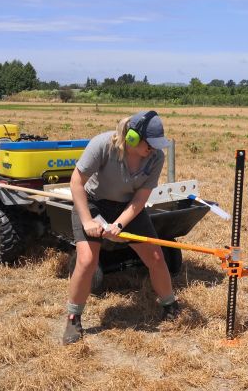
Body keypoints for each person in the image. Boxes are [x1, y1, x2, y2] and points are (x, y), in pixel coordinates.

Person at [62, 110, 179, 345]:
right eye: (150, 144)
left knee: (156, 257)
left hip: (128, 207)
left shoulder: (156, 157)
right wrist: (87, 221)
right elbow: (76, 183)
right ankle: (73, 318)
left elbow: (141, 197)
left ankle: (170, 305)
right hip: (93, 203)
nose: (154, 149)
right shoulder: (102, 145)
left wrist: (119, 224)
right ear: (132, 137)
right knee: (87, 260)